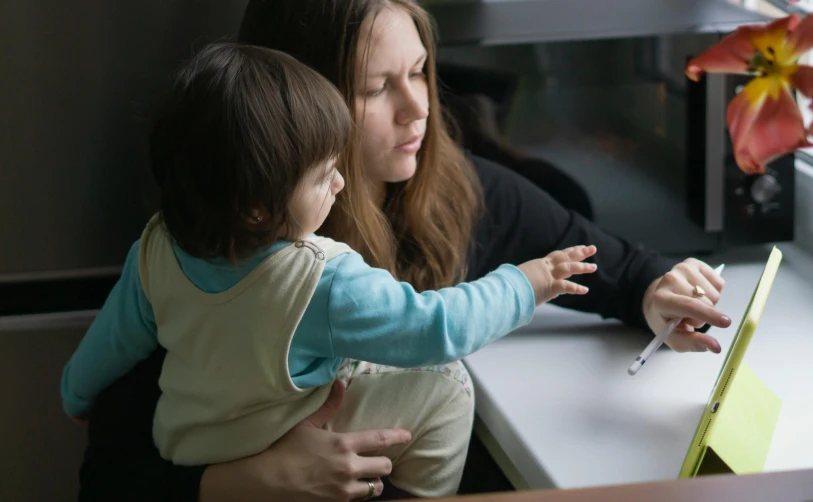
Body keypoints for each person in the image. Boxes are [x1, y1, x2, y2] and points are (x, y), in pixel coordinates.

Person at [77, 1, 731, 501]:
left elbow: (599, 259)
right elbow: (106, 475)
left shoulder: (457, 192)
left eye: (419, 71)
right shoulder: (220, 245)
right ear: (290, 105)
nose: (417, 106)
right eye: (374, 87)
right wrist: (248, 479)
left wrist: (653, 292)